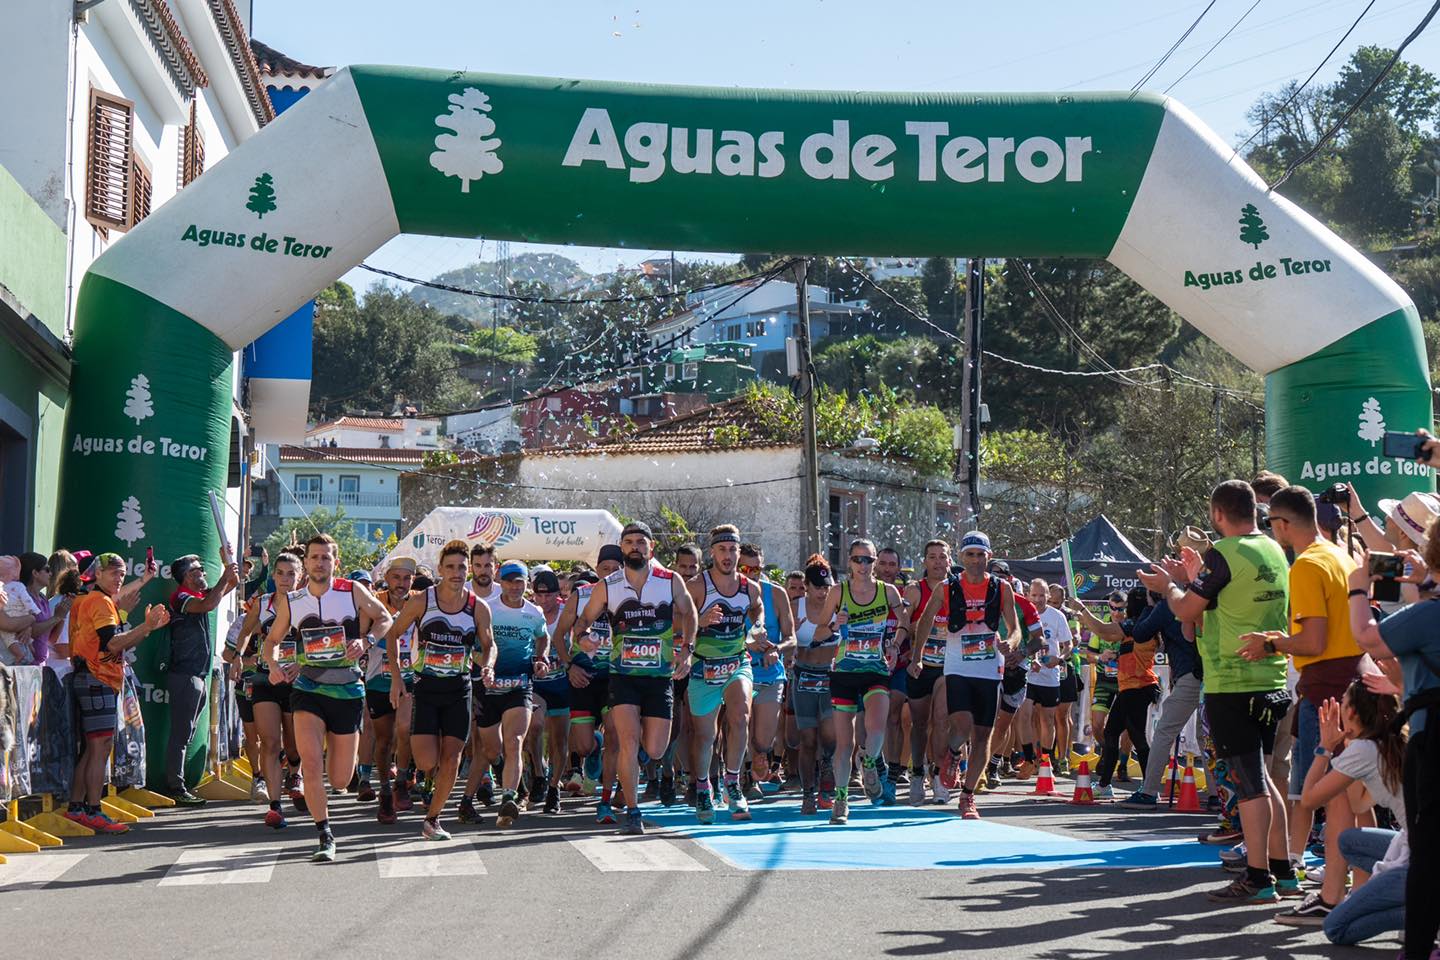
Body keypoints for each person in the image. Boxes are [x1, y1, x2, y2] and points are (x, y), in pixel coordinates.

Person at [1139, 479, 1296, 904]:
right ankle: (1283, 871)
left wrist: (1169, 586)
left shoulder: (1223, 553)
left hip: (1233, 680)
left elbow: (1187, 609)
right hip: (1271, 677)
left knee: (1250, 787)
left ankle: (1259, 877)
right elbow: (1217, 605)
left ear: (1218, 515)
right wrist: (1193, 578)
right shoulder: (1274, 551)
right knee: (1264, 781)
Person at [1239, 485, 1362, 876]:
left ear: (1282, 524)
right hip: (1352, 683)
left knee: (1319, 789)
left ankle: (1314, 868)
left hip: (1325, 689)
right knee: (1350, 789)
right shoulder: (1339, 555)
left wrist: (1272, 643)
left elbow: (1313, 640)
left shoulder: (1308, 565)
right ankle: (1329, 865)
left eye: (1271, 523)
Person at [263, 533, 394, 862]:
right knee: (310, 763)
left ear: (336, 563)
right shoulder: (292, 602)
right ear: (305, 562)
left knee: (340, 779)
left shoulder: (352, 591)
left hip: (348, 690)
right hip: (307, 688)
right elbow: (271, 641)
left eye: (326, 557)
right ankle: (325, 833)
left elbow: (385, 618)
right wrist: (274, 665)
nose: (320, 562)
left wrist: (366, 642)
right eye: (314, 557)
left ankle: (342, 760)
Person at [1348, 498, 1440, 960]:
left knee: (1428, 855)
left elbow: (1366, 636)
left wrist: (1357, 589)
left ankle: (1419, 946)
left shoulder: (1428, 615)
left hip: (1432, 739)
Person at [575, 522, 697, 835]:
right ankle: (633, 811)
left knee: (655, 749)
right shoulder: (609, 585)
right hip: (623, 677)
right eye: (629, 542)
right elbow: (583, 622)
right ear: (623, 546)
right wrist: (583, 638)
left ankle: (640, 758)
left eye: (641, 542)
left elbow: (690, 610)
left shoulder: (670, 581)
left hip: (658, 677)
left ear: (650, 548)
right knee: (627, 742)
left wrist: (687, 650)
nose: (635, 547)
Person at [1274, 678, 1407, 929]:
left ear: (1352, 712)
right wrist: (1346, 748)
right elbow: (1357, 805)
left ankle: (1422, 913)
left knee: (1337, 927)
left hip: (1421, 856)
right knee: (1349, 841)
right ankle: (1360, 895)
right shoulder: (1390, 740)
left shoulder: (1366, 749)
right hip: (1419, 845)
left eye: (1342, 703)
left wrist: (1325, 747)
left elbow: (1310, 800)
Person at [383, 541, 487, 840]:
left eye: (461, 567)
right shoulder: (422, 601)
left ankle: (433, 819)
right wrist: (397, 677)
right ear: (441, 569)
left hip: (459, 689)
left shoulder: (477, 607)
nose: (456, 573)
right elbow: (392, 634)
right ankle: (426, 776)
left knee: (452, 757)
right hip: (426, 689)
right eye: (450, 567)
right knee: (429, 761)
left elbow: (488, 645)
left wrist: (488, 665)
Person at [63, 553, 169, 834]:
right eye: (113, 573)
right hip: (98, 678)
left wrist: (144, 580)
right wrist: (146, 627)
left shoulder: (90, 598)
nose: (119, 578)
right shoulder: (100, 602)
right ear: (97, 573)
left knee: (91, 747)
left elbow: (120, 596)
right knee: (99, 748)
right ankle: (93, 809)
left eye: (122, 573)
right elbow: (112, 644)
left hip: (90, 677)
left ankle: (77, 807)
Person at [687, 526, 766, 823]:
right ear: (712, 553)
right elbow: (677, 627)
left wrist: (758, 627)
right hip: (703, 666)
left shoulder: (749, 587)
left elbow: (757, 609)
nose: (728, 556)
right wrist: (700, 622)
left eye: (733, 550)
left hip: (736, 662)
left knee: (740, 715)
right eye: (722, 550)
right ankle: (704, 787)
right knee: (705, 736)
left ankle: (733, 783)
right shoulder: (696, 586)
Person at [825, 538, 907, 823]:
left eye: (868, 560)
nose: (863, 565)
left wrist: (894, 645)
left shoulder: (888, 591)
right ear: (849, 561)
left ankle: (870, 762)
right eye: (858, 559)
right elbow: (820, 629)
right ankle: (841, 799)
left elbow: (905, 622)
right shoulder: (838, 591)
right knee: (844, 743)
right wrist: (835, 625)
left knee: (877, 724)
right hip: (845, 671)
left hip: (875, 668)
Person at [473, 560, 548, 829]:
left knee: (515, 741)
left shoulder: (534, 612)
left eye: (520, 581)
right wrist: (483, 667)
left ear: (527, 583)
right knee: (493, 748)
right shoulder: (487, 609)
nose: (515, 587)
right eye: (509, 581)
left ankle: (509, 797)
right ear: (500, 581)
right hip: (490, 686)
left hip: (520, 685)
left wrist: (541, 658)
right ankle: (504, 771)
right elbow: (474, 644)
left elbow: (543, 636)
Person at [552, 545, 625, 822]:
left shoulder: (629, 598)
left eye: (615, 569)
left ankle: (607, 795)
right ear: (597, 571)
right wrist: (569, 666)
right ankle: (593, 747)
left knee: (616, 737)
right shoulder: (581, 595)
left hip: (615, 678)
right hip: (582, 676)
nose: (610, 574)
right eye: (605, 569)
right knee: (582, 746)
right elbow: (559, 636)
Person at [1069, 588, 1160, 800]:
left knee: (1138, 738)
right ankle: (1104, 784)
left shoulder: (1136, 625)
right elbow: (1127, 649)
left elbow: (1103, 630)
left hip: (1137, 688)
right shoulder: (1142, 625)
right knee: (1110, 733)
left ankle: (1149, 789)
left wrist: (1082, 609)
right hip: (1129, 687)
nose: (1122, 611)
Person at [165, 551, 240, 805]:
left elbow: (226, 590)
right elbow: (209, 604)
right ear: (186, 576)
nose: (203, 574)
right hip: (184, 674)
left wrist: (230, 568)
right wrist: (224, 578)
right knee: (181, 733)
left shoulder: (196, 595)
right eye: (197, 571)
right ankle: (175, 786)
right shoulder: (182, 598)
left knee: (187, 732)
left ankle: (180, 783)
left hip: (197, 673)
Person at [233, 551, 301, 829]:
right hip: (265, 678)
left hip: (297, 682)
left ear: (300, 577)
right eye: (281, 573)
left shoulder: (309, 603)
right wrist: (237, 655)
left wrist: (302, 662)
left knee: (294, 744)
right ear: (273, 576)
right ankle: (275, 806)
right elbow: (246, 631)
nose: (285, 579)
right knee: (270, 742)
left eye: (291, 574)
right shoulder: (262, 604)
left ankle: (295, 771)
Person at [365, 556, 419, 823]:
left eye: (407, 578)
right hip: (377, 678)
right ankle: (385, 789)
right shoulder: (374, 601)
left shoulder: (419, 601)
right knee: (384, 740)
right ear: (387, 579)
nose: (401, 584)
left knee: (405, 729)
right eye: (396, 578)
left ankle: (401, 783)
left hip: (409, 678)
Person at [739, 541, 794, 799]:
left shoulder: (777, 594)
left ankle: (754, 762)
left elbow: (791, 637)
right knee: (741, 725)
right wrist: (744, 645)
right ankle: (745, 777)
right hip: (739, 670)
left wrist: (777, 649)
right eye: (746, 569)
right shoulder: (729, 592)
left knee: (764, 738)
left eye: (757, 569)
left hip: (770, 673)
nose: (752, 574)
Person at [904, 540, 953, 804]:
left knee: (942, 720)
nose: (937, 561)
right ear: (924, 561)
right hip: (919, 665)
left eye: (942, 557)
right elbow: (903, 622)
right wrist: (915, 629)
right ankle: (916, 773)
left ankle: (938, 776)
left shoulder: (957, 589)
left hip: (948, 666)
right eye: (932, 557)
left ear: (949, 560)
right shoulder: (915, 591)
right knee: (920, 724)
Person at [792, 558, 839, 814]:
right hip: (803, 677)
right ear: (806, 586)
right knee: (807, 740)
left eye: (827, 586)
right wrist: (790, 639)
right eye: (818, 587)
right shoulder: (794, 607)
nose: (823, 592)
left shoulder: (839, 606)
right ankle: (808, 793)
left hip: (832, 677)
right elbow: (781, 638)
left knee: (831, 736)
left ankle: (828, 764)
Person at [530, 568, 570, 814]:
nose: (544, 600)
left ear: (558, 594)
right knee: (534, 726)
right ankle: (538, 773)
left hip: (561, 682)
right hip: (536, 684)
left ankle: (554, 788)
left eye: (549, 595)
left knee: (560, 739)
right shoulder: (529, 613)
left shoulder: (567, 613)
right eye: (539, 595)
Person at [1024, 579, 1072, 772]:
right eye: (1034, 595)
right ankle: (1029, 758)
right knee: (1026, 715)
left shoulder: (1057, 616)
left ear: (1048, 596)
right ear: (1028, 595)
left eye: (1042, 595)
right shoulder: (1023, 612)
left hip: (1050, 675)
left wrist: (1058, 659)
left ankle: (1045, 760)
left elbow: (1069, 645)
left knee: (1047, 719)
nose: (1038, 599)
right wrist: (1027, 660)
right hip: (1027, 674)